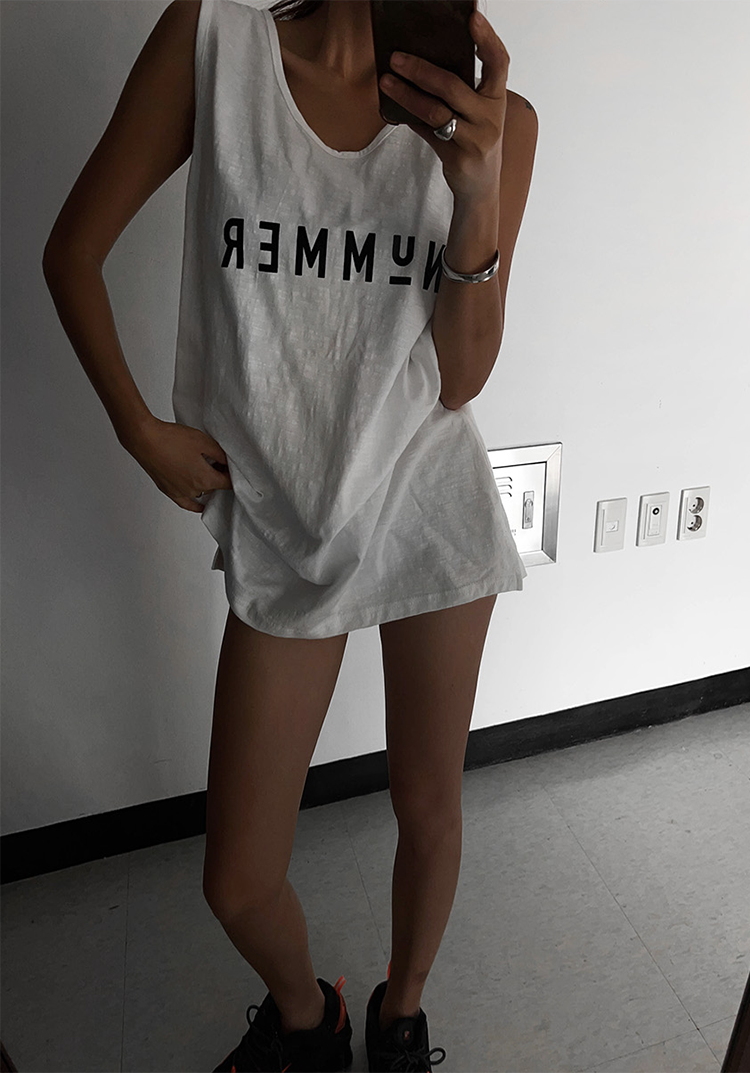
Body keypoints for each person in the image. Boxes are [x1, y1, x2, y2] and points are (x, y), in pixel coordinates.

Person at [41, 0, 538, 1069]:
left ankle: (403, 1013)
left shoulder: (496, 120)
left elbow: (458, 378)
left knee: (428, 805)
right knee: (238, 878)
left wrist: (477, 190)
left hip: (426, 501)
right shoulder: (213, 48)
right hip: (287, 518)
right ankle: (309, 1015)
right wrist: (138, 428)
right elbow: (71, 251)